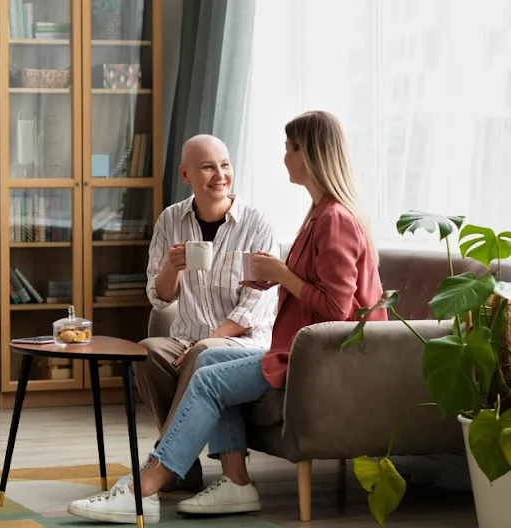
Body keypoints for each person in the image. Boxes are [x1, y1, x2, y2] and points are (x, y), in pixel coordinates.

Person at [67, 110, 388, 524]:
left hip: (318, 358)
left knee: (208, 369)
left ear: (308, 155)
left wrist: (281, 275)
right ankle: (235, 482)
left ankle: (144, 487)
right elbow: (314, 292)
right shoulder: (319, 215)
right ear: (187, 175)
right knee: (208, 360)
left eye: (289, 148)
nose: (284, 157)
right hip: (296, 351)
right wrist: (273, 279)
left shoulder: (334, 219)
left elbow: (336, 311)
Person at [129, 134, 280, 492]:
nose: (220, 175)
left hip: (244, 343)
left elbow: (255, 307)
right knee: (147, 352)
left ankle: (166, 461)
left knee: (206, 356)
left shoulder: (256, 224)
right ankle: (185, 466)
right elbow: (160, 297)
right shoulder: (171, 219)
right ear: (185, 175)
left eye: (225, 165)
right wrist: (172, 267)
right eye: (208, 167)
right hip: (187, 339)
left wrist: (208, 342)